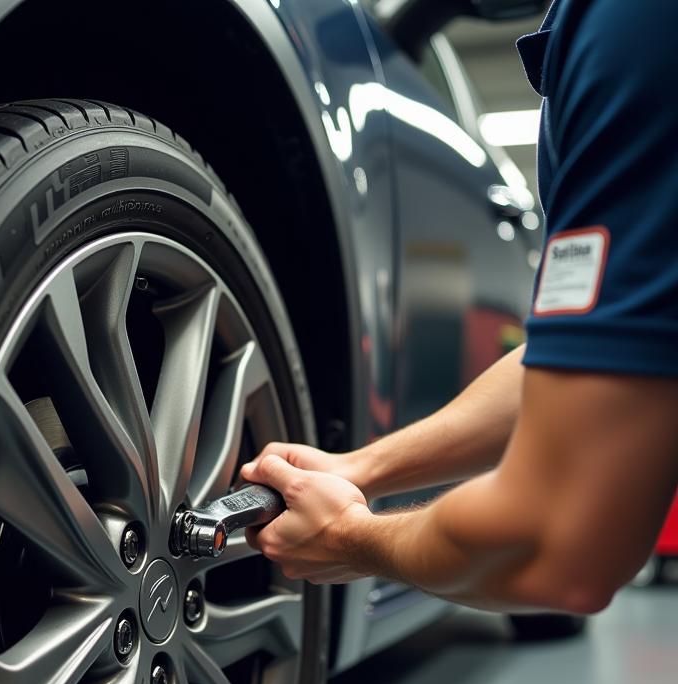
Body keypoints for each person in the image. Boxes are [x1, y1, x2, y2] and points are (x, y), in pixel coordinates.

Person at [241, 0, 678, 613]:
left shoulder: (635, 26)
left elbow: (552, 544)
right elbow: (588, 371)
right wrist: (359, 467)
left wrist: (350, 537)